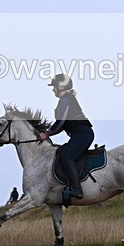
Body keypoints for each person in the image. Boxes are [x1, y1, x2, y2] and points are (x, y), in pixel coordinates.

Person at [37, 73, 94, 201]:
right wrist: (48, 132)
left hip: (82, 134)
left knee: (67, 157)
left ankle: (77, 189)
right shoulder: (66, 99)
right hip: (80, 133)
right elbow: (61, 125)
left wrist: (47, 134)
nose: (53, 89)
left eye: (54, 86)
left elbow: (61, 122)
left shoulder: (65, 99)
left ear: (61, 87)